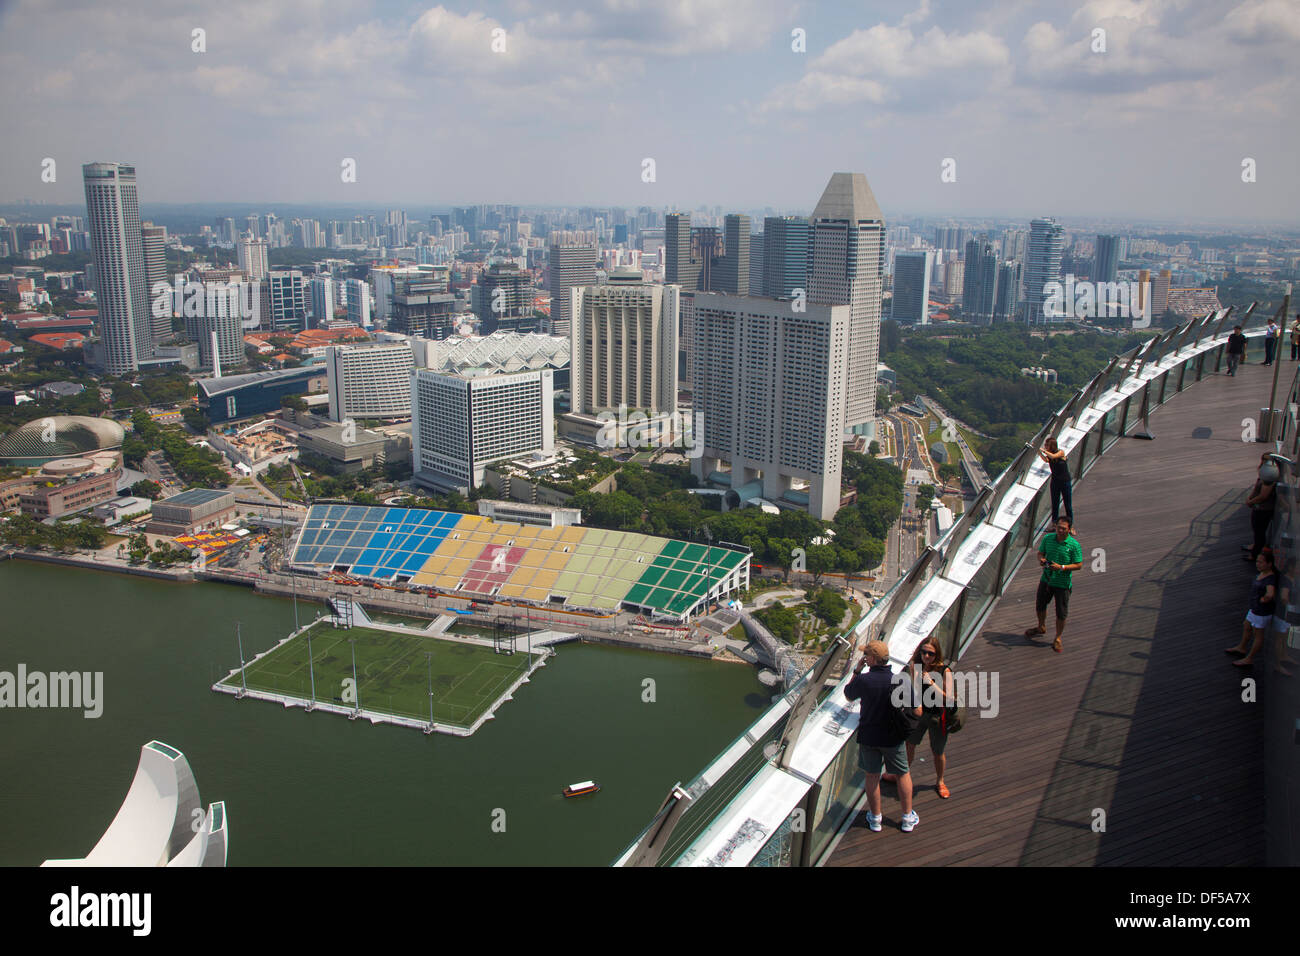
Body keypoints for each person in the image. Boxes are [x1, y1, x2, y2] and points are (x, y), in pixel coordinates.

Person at [845, 640, 922, 833]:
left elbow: (848, 695)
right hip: (893, 737)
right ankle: (906, 818)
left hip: (869, 736)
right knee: (902, 774)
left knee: (872, 776)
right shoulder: (899, 680)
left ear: (871, 658)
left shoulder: (864, 680)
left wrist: (857, 671)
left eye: (866, 656)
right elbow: (919, 711)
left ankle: (876, 818)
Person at [906, 636, 956, 799]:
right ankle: (902, 775)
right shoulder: (916, 666)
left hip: (938, 716)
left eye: (931, 654)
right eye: (924, 652)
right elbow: (915, 690)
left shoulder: (944, 671)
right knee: (910, 744)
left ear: (937, 655)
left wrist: (932, 683)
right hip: (920, 713)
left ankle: (940, 781)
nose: (926, 656)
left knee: (938, 751)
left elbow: (949, 699)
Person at [1026, 516, 1083, 653]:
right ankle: (1041, 626)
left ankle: (1058, 638)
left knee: (1061, 613)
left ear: (1069, 530)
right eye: (1058, 527)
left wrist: (1061, 567)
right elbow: (1040, 553)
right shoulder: (1048, 539)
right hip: (1046, 579)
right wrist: (1042, 560)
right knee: (1040, 605)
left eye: (1064, 528)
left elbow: (1079, 565)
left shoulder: (1074, 545)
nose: (1060, 530)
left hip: (1062, 583)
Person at [1226, 548, 1279, 669]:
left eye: (1261, 562)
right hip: (1254, 608)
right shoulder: (1262, 573)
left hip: (1261, 612)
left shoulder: (1269, 578)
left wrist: (1264, 599)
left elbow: (1270, 594)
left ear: (1269, 564)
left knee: (1258, 635)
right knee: (1246, 625)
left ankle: (1249, 658)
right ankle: (1242, 647)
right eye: (1257, 561)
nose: (1257, 564)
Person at [1242, 453, 1275, 563]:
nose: (1264, 462)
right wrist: (1250, 498)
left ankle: (1255, 555)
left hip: (1263, 509)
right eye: (1263, 459)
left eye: (1267, 460)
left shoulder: (1270, 475)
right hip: (1258, 508)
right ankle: (1255, 546)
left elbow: (1263, 496)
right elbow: (1256, 488)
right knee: (1257, 530)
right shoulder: (1265, 473)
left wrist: (1251, 501)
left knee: (1259, 532)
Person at [1039, 437, 1073, 526]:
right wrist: (1038, 451)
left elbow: (1053, 456)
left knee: (1067, 504)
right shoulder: (1050, 455)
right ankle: (1054, 524)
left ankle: (1070, 525)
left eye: (1047, 445)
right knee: (1055, 504)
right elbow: (1046, 460)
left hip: (1065, 481)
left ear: (1052, 446)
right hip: (1055, 482)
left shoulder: (1060, 452)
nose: (1045, 446)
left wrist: (1043, 450)